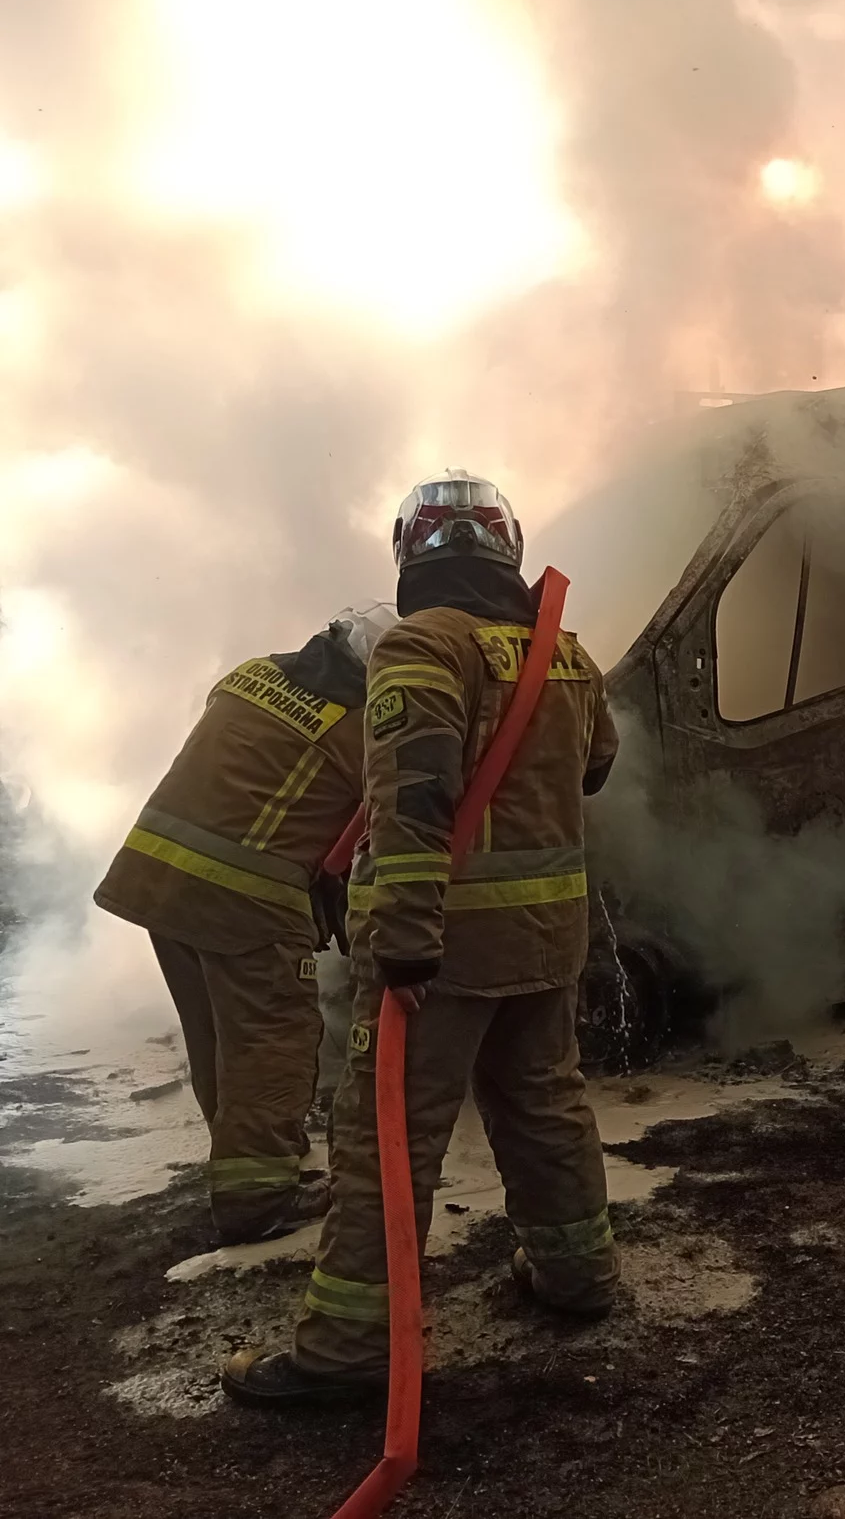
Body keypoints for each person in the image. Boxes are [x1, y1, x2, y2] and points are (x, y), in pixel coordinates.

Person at [222, 471, 619, 1408]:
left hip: (442, 953)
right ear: (508, 547)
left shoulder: (421, 645)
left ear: (411, 553)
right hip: (546, 941)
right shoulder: (566, 655)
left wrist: (402, 940)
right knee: (545, 1107)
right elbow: (598, 767)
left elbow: (413, 800)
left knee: (386, 1141)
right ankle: (579, 1277)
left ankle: (346, 1350)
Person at [94, 604, 397, 1244]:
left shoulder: (249, 675)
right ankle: (257, 1201)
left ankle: (248, 1158)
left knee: (214, 1034)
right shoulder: (362, 728)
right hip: (244, 896)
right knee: (272, 1041)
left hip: (156, 876)